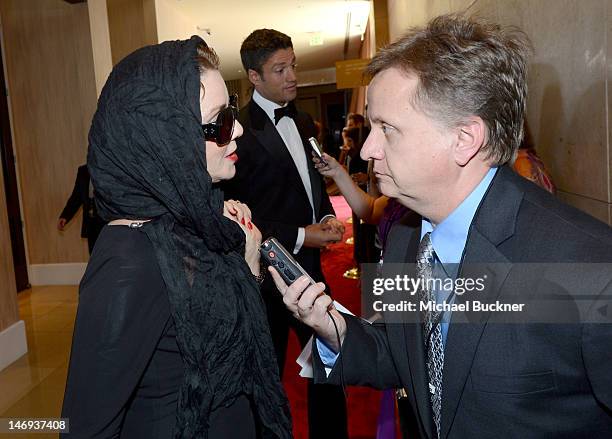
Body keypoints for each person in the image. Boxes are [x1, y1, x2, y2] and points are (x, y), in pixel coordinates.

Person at [272, 14, 612, 439]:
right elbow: (402, 359)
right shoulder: (404, 239)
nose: (368, 150)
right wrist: (333, 329)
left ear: (464, 139)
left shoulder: (593, 270)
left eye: (387, 129)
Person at [61, 37, 292, 438]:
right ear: (165, 141)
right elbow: (83, 427)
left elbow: (217, 339)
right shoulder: (128, 260)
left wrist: (248, 267)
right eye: (219, 121)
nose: (236, 128)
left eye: (232, 112)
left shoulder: (197, 219)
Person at [221, 28, 348, 439]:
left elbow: (312, 182)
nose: (293, 75)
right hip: (265, 274)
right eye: (280, 69)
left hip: (312, 270)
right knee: (268, 375)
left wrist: (326, 215)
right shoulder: (239, 132)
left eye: (292, 64)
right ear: (254, 77)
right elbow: (241, 214)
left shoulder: (304, 118)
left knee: (329, 365)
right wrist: (300, 235)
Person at [57, 164, 105, 254]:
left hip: (106, 222)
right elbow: (76, 196)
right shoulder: (83, 171)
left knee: (108, 256)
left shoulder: (110, 169)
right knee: (94, 255)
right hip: (90, 221)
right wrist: (65, 216)